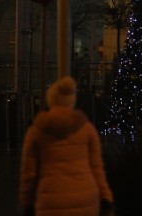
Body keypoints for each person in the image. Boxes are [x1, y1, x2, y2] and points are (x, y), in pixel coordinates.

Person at [19, 76, 114, 216]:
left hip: (50, 200)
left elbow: (29, 174)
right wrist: (106, 197)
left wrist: (26, 203)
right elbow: (97, 168)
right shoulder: (86, 129)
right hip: (85, 198)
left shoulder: (36, 131)